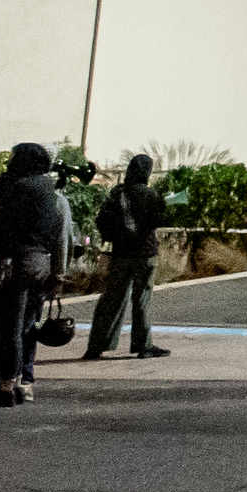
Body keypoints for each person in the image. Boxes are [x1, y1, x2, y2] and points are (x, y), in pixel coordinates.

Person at [0, 140, 71, 408]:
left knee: (4, 327)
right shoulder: (51, 193)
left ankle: (1, 387)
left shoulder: (14, 188)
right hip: (38, 265)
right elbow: (60, 238)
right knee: (22, 326)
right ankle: (16, 381)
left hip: (11, 264)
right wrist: (57, 275)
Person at [84, 154, 170, 360]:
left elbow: (103, 219)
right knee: (142, 299)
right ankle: (143, 345)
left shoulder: (118, 192)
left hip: (121, 252)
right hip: (144, 252)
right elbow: (159, 219)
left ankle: (97, 344)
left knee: (112, 298)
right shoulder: (150, 195)